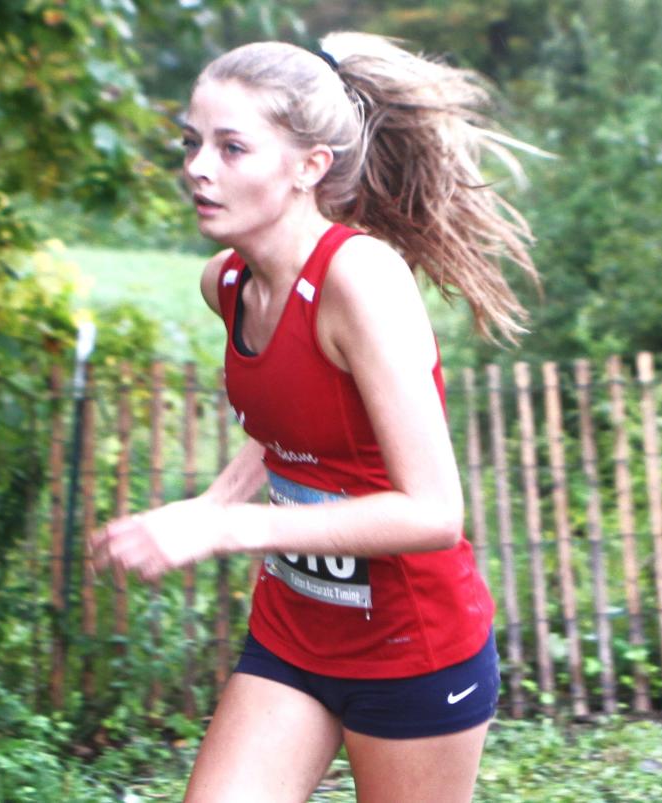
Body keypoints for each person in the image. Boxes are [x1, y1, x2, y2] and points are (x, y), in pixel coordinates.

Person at [92, 31, 539, 803]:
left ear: (310, 167)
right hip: (294, 634)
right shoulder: (226, 283)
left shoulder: (359, 279)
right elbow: (285, 430)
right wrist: (214, 501)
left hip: (412, 647)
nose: (198, 167)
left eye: (233, 147)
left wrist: (227, 529)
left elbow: (435, 513)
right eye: (192, 141)